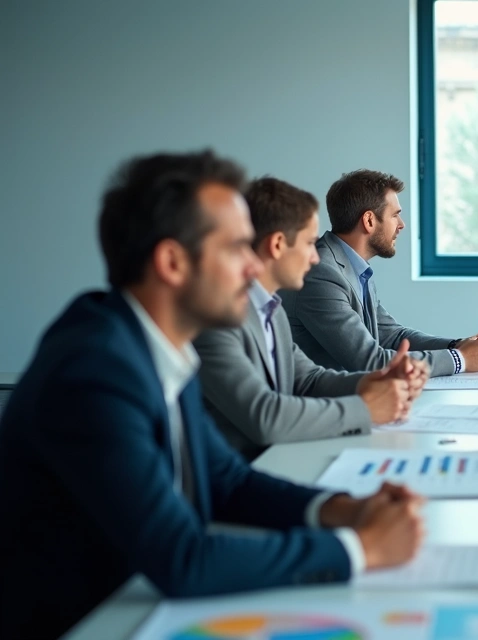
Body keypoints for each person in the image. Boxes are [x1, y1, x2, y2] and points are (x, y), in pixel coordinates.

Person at [0, 151, 425, 640]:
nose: (254, 267)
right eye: (237, 248)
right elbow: (182, 558)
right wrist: (361, 549)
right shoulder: (95, 370)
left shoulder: (154, 344)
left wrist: (346, 509)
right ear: (173, 262)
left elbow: (225, 480)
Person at [195, 177, 429, 459]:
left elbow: (308, 381)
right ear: (278, 245)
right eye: (309, 243)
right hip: (243, 473)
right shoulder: (217, 321)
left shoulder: (271, 309)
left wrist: (373, 382)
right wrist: (366, 409)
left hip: (280, 457)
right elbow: (265, 415)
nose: (315, 257)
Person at [281, 169, 478, 376]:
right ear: (369, 221)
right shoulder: (322, 273)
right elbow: (369, 361)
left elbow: (392, 336)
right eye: (395, 215)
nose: (402, 225)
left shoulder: (354, 267)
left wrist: (456, 345)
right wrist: (459, 358)